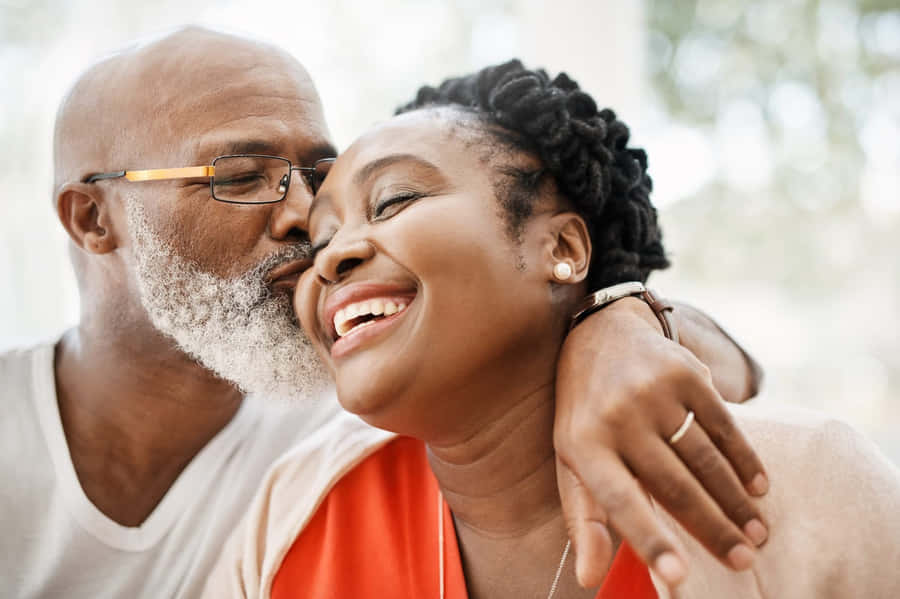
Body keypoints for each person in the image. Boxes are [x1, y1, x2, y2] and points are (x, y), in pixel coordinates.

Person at [2, 28, 766, 597]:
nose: (306, 218)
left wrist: (616, 322)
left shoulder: (357, 413)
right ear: (91, 218)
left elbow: (739, 372)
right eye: (241, 175)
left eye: (317, 175)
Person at [207, 61, 900, 598]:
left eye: (393, 199)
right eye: (321, 237)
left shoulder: (803, 485)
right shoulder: (294, 513)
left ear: (563, 249)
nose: (333, 255)